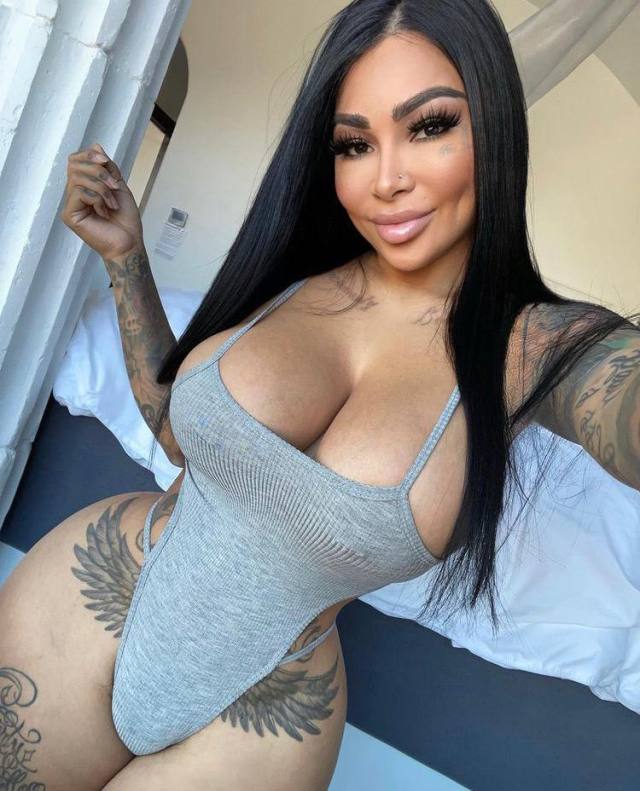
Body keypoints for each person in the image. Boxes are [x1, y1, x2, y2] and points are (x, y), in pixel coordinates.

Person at [2, 0, 639, 788]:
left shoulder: (543, 348)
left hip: (266, 717)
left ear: (495, 127)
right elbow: (179, 438)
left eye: (430, 126)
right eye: (354, 143)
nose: (388, 179)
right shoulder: (298, 267)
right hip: (97, 597)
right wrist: (127, 258)